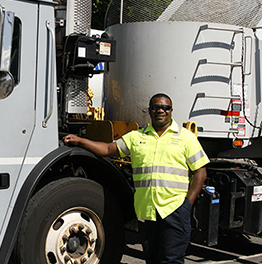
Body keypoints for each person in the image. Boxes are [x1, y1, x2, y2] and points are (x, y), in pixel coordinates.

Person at [63, 93, 208, 264]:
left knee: (172, 259)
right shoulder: (137, 137)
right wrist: (81, 141)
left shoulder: (185, 138)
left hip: (174, 210)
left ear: (171, 110)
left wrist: (187, 204)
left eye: (165, 107)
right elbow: (109, 149)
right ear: (150, 111)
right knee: (152, 259)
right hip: (147, 211)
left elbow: (200, 171)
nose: (160, 110)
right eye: (156, 107)